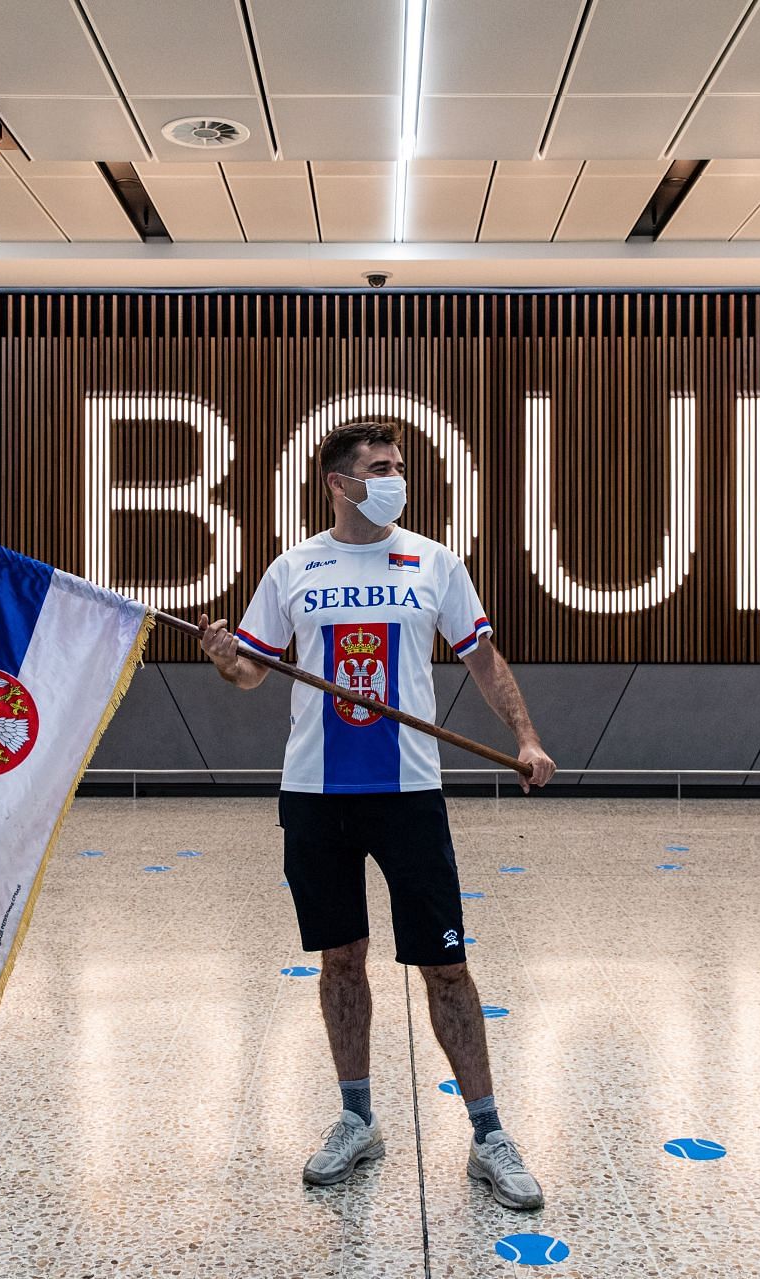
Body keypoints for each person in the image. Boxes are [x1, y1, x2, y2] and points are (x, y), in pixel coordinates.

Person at [198, 420, 558, 1210]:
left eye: (398, 466)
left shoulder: (434, 561)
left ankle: (489, 1132)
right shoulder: (293, 568)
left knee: (447, 965)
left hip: (408, 795)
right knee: (340, 961)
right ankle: (357, 1118)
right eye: (382, 467)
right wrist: (226, 655)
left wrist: (526, 737)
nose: (397, 478)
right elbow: (251, 672)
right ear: (338, 481)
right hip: (316, 795)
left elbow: (482, 657)